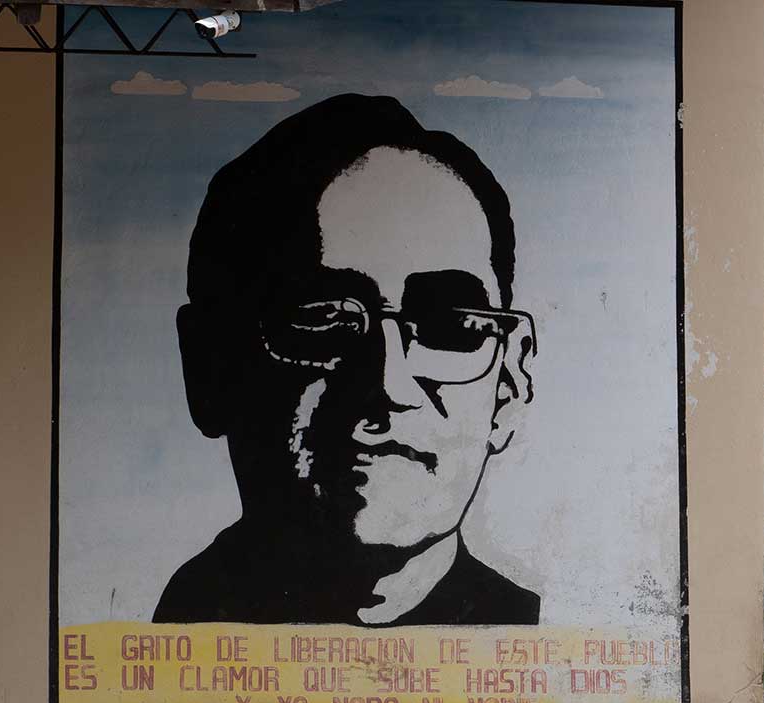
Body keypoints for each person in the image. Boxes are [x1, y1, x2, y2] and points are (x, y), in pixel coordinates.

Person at [155, 93, 540, 626]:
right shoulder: (156, 657)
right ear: (209, 369)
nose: (389, 384)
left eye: (451, 325)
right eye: (324, 318)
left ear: (509, 384)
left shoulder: (540, 639)